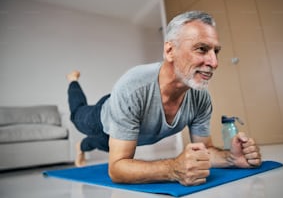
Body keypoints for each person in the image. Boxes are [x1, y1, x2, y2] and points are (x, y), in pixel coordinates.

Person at [66, 10, 262, 186]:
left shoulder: (201, 98)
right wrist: (172, 169)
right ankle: (73, 81)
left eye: (216, 51)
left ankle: (82, 146)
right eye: (202, 49)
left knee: (100, 144)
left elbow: (206, 151)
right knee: (76, 116)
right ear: (170, 51)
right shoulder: (132, 88)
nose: (214, 62)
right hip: (101, 116)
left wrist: (232, 159)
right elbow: (116, 169)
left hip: (126, 132)